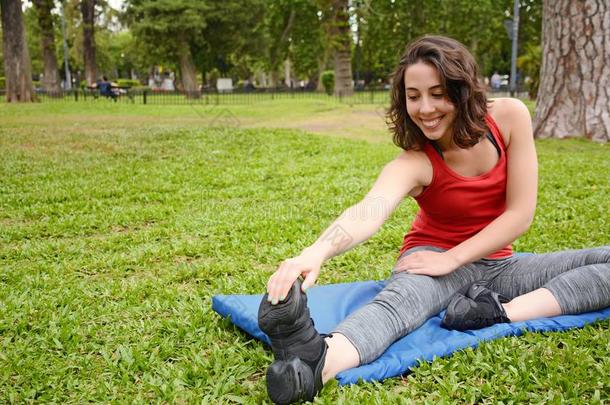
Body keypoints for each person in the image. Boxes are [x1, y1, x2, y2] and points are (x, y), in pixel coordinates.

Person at [257, 35, 610, 404]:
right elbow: (370, 209)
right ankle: (318, 360)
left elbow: (520, 215)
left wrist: (457, 258)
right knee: (397, 308)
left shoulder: (509, 117)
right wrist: (315, 252)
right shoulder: (415, 160)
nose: (425, 108)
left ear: (462, 90)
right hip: (431, 259)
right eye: (413, 96)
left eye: (439, 93)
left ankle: (494, 311)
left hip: (498, 266)